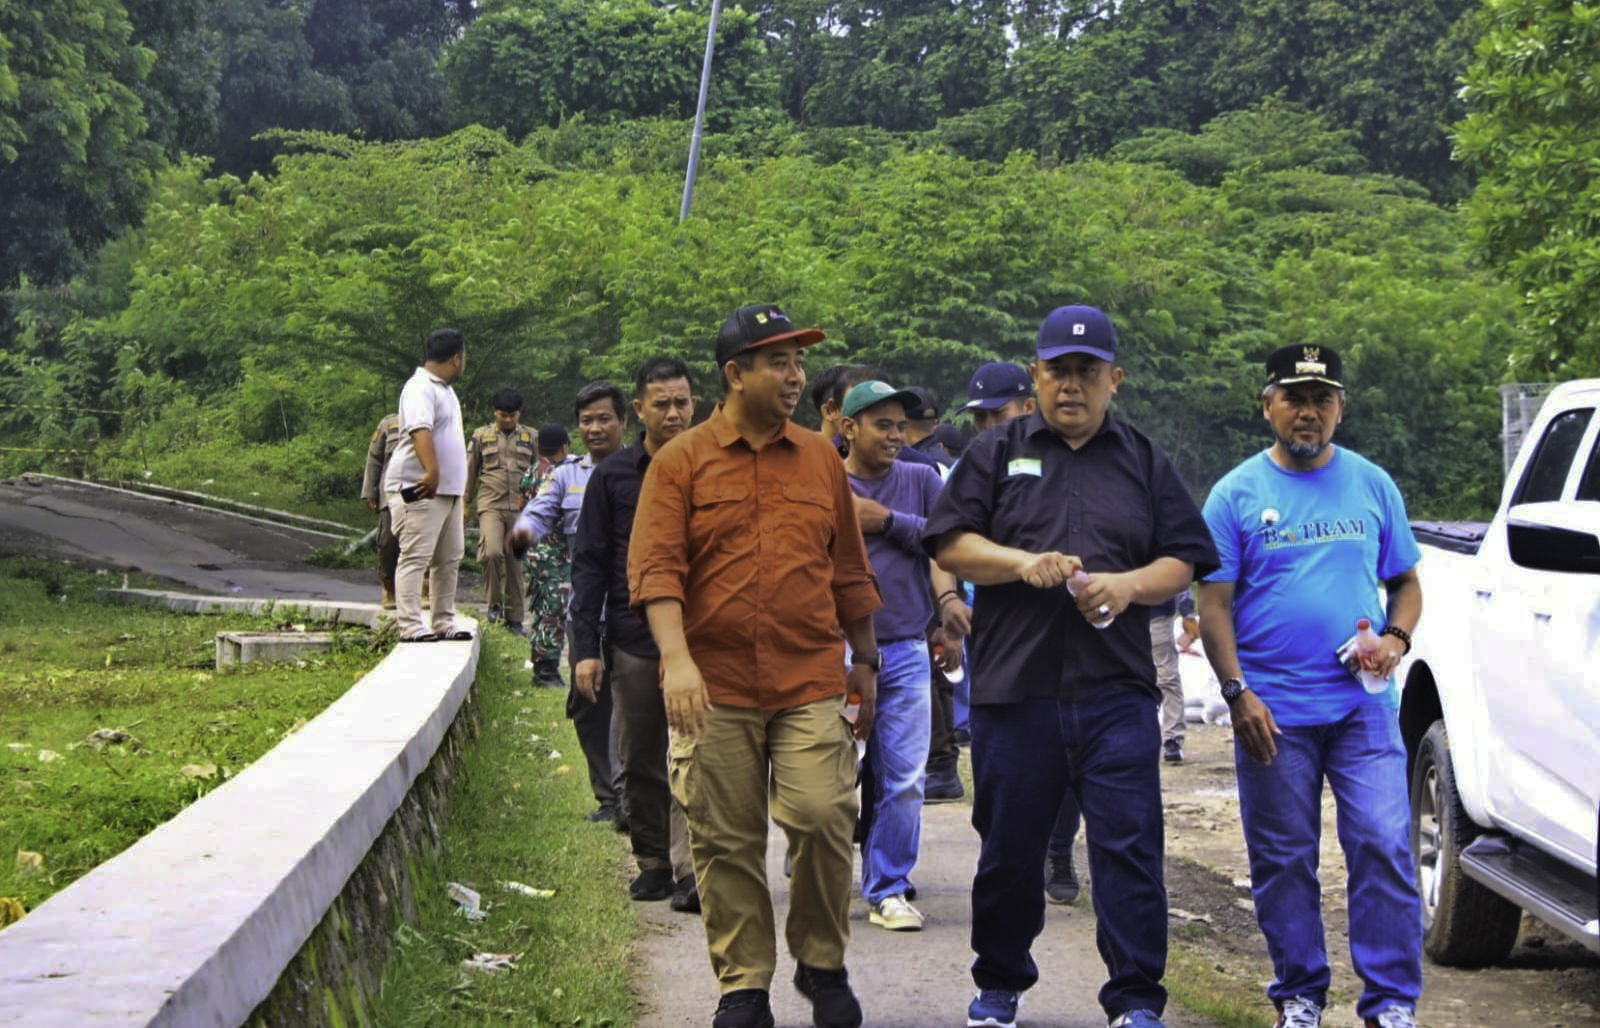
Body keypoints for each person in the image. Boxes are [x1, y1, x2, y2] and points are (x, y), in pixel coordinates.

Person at [925, 305, 1217, 1028]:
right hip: (1016, 688)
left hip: (1116, 691)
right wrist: (1022, 564)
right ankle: (999, 987)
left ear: (1114, 378)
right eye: (1058, 370)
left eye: (1088, 372)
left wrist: (1128, 586)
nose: (1072, 386)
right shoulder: (994, 455)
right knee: (1010, 849)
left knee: (1129, 846)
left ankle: (1135, 1002)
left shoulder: (1144, 459)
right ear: (1036, 376)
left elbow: (1184, 558)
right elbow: (950, 544)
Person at [629, 303, 880, 1028]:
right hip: (713, 685)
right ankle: (743, 984)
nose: (796, 376)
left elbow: (848, 570)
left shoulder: (819, 460)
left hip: (807, 675)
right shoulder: (680, 462)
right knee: (725, 836)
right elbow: (657, 572)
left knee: (825, 813)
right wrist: (677, 663)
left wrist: (863, 657)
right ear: (735, 374)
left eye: (799, 363)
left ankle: (821, 960)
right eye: (780, 362)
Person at [1197, 344, 1423, 1028]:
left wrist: (1396, 639)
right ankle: (1300, 993)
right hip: (1273, 713)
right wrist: (1238, 694)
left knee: (1383, 843)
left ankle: (1389, 1002)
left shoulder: (1372, 484)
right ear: (1267, 405)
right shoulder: (1234, 494)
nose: (1308, 413)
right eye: (1294, 399)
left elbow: (1406, 584)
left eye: (1322, 400)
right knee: (1284, 859)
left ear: (1341, 409)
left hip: (1363, 708)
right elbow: (1212, 607)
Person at [570, 357, 700, 912]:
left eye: (683, 402)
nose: (673, 413)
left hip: (701, 636)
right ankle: (653, 860)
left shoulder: (710, 464)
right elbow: (590, 563)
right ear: (640, 409)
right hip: (632, 634)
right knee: (642, 753)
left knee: (697, 754)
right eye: (661, 403)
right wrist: (583, 651)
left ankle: (695, 867)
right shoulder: (613, 476)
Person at [839, 379, 964, 933]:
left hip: (908, 646)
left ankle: (887, 887)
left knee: (905, 776)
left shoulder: (920, 479)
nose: (895, 435)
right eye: (882, 424)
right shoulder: (824, 482)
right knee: (831, 772)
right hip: (837, 650)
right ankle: (818, 862)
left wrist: (886, 522)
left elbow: (944, 545)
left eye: (900, 426)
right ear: (848, 428)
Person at [513, 382, 628, 825]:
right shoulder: (565, 476)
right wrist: (524, 532)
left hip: (631, 609)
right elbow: (540, 512)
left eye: (604, 419)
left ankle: (634, 797)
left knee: (633, 705)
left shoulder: (642, 468)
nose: (595, 428)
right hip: (586, 612)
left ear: (623, 420)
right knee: (588, 704)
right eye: (586, 420)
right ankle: (609, 797)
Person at [383, 328, 474, 643]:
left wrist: (459, 492)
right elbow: (419, 430)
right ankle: (410, 625)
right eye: (465, 358)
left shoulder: (446, 390)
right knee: (415, 556)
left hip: (447, 492)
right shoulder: (420, 387)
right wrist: (432, 471)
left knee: (449, 558)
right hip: (419, 485)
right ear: (456, 358)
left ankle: (443, 621)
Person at [464, 387, 536, 633]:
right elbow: (471, 470)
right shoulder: (481, 436)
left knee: (516, 565)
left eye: (512, 415)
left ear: (519, 414)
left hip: (521, 509)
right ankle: (494, 603)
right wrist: (464, 503)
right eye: (503, 415)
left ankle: (515, 618)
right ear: (494, 413)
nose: (507, 420)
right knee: (491, 553)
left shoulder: (531, 437)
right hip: (490, 505)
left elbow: (541, 472)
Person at [522, 424, 575, 687]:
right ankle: (547, 671)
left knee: (541, 609)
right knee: (555, 610)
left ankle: (540, 662)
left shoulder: (531, 471)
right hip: (555, 554)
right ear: (565, 446)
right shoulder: (561, 473)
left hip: (533, 553)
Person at [360, 410, 402, 608]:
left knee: (423, 542)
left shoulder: (433, 420)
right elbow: (375, 457)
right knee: (388, 541)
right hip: (390, 492)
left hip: (421, 492)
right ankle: (389, 586)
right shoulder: (389, 424)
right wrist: (370, 490)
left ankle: (424, 588)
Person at [1152, 590, 1198, 764]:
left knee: (1167, 676)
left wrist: (1188, 614)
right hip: (1122, 612)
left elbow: (1182, 574)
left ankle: (1173, 739)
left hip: (1157, 612)